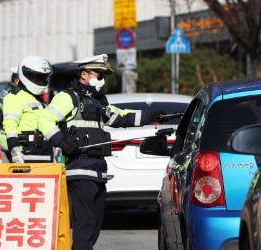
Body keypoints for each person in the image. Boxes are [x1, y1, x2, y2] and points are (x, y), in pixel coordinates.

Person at [38, 54, 166, 250]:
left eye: (104, 75)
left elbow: (119, 117)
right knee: (85, 224)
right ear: (83, 74)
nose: (102, 78)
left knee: (95, 225)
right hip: (80, 169)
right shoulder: (68, 97)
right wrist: (63, 143)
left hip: (99, 170)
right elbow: (44, 119)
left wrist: (152, 116)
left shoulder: (99, 101)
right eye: (98, 74)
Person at [3, 55, 54, 163]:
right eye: (37, 77)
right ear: (26, 75)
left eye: (43, 78)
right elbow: (10, 124)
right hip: (25, 156)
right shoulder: (14, 97)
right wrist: (14, 149)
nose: (41, 81)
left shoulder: (40, 101)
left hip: (46, 155)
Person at [0, 67, 20, 162]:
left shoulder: (6, 91)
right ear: (17, 80)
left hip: (6, 134)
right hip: (12, 135)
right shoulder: (12, 93)